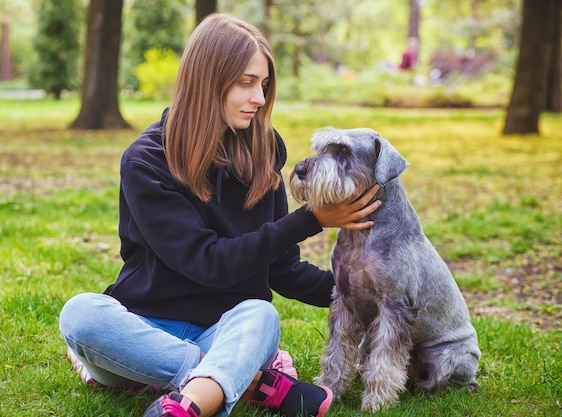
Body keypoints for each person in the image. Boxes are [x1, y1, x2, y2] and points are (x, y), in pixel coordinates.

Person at [59, 13, 381, 417]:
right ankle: (246, 382)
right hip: (145, 336)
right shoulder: (146, 162)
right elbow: (205, 262)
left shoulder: (264, 151)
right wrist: (311, 219)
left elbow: (280, 270)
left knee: (260, 314)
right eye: (246, 83)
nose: (259, 99)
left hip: (230, 331)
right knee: (81, 315)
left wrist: (367, 292)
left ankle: (193, 398)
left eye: (263, 85)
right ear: (207, 81)